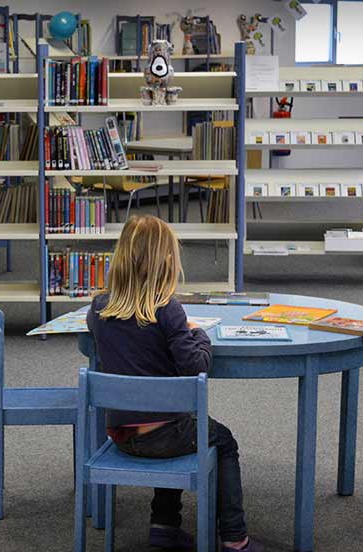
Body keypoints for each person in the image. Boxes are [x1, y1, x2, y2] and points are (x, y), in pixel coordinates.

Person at [86, 215, 261, 552]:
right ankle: (235, 538)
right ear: (165, 262)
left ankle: (164, 526)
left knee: (180, 423)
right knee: (221, 440)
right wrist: (199, 335)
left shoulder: (99, 309)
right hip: (165, 434)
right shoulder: (167, 310)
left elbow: (123, 342)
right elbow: (196, 366)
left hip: (121, 435)